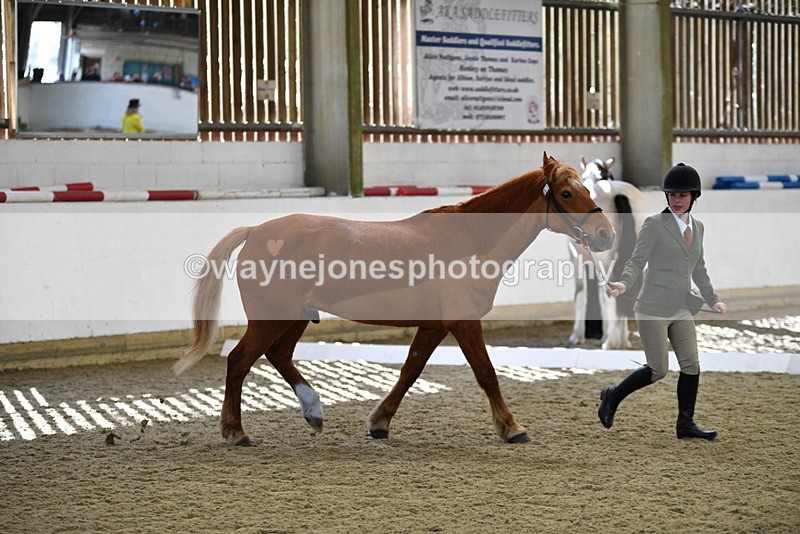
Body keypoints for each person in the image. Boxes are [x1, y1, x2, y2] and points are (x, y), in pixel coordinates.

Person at [601, 163, 727, 440]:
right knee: (658, 370)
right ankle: (612, 395)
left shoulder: (699, 228)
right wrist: (624, 282)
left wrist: (712, 299)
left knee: (691, 365)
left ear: (694, 197)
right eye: (672, 195)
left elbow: (699, 268)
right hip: (652, 307)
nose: (677, 200)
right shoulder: (654, 224)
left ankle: (685, 425)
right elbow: (637, 259)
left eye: (683, 195)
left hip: (681, 307)